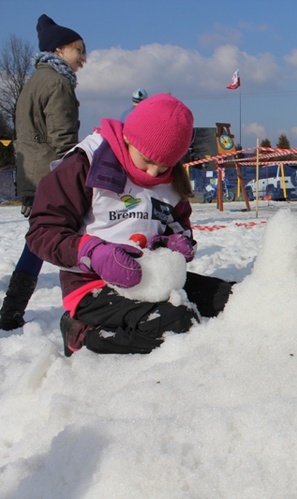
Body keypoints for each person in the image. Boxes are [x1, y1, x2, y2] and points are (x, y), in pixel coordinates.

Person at [26, 94, 234, 355]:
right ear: (127, 139)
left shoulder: (172, 180)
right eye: (147, 160)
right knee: (177, 323)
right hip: (92, 288)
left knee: (233, 300)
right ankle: (84, 336)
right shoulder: (85, 163)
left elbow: (180, 226)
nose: (153, 173)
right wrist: (92, 253)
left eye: (164, 167)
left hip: (153, 281)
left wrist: (176, 243)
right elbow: (42, 232)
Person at [0, 14, 86, 330]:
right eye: (79, 50)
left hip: (33, 174)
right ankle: (90, 303)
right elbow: (62, 137)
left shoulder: (35, 80)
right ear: (60, 49)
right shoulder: (57, 82)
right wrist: (78, 171)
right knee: (77, 237)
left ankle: (11, 311)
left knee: (38, 242)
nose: (84, 59)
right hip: (51, 176)